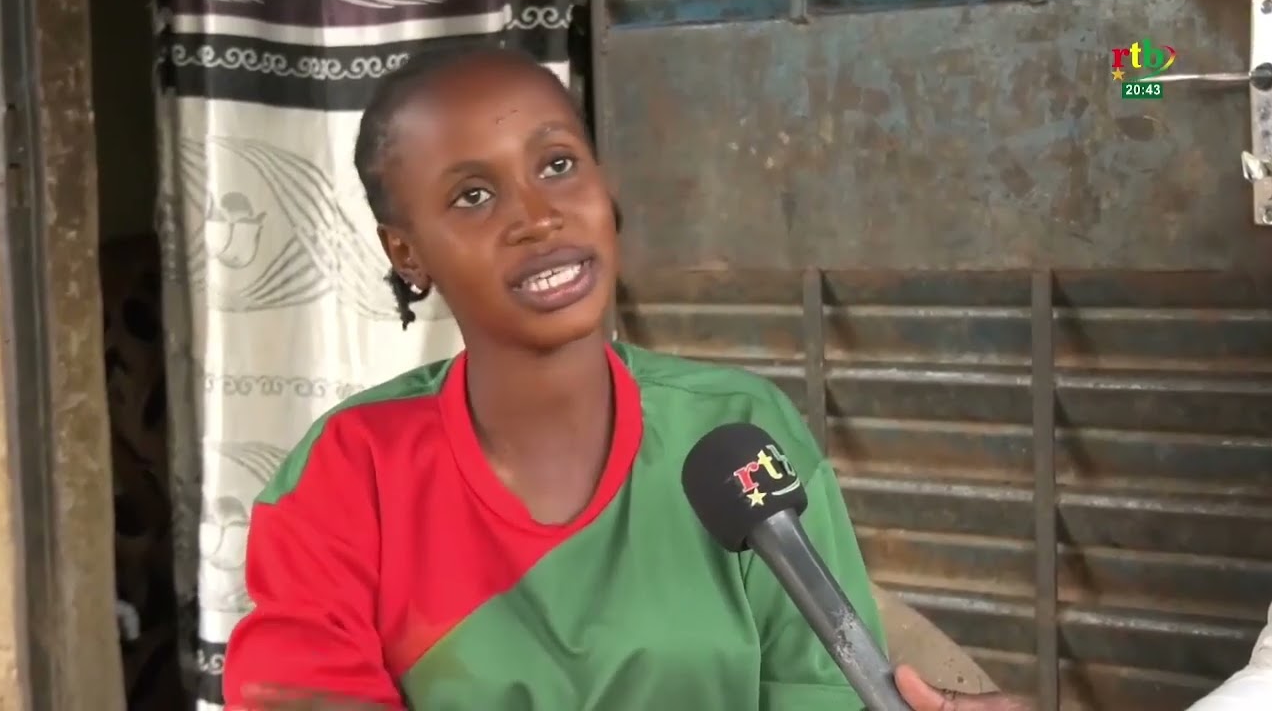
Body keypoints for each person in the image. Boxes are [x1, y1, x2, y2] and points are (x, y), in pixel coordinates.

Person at [221, 41, 1031, 711]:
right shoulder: (347, 473)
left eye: (559, 165)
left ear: (605, 188)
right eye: (472, 195)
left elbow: (820, 687)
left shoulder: (737, 435)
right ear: (408, 253)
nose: (536, 216)